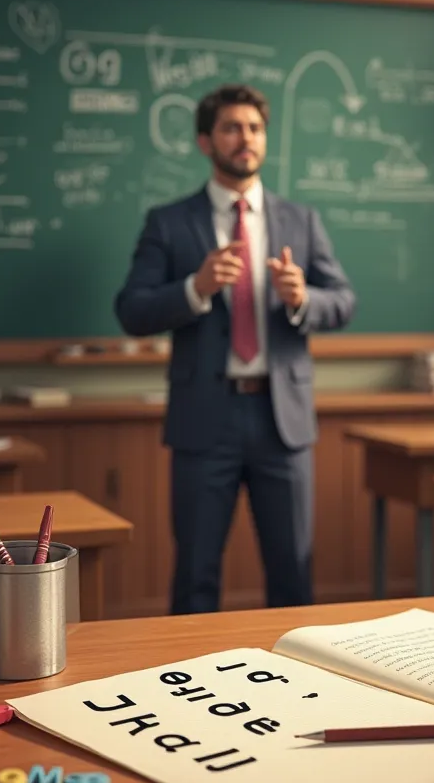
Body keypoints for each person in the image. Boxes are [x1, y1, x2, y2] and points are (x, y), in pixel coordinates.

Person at [115, 83, 355, 614]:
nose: (244, 138)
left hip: (282, 421)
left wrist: (302, 299)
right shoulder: (170, 222)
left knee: (293, 573)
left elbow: (343, 301)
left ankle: (304, 690)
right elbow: (131, 310)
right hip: (205, 418)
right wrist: (194, 288)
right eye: (230, 127)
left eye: (253, 128)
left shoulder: (301, 220)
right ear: (206, 141)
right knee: (196, 575)